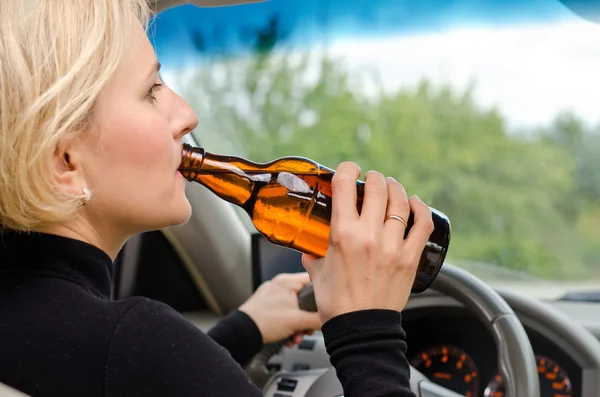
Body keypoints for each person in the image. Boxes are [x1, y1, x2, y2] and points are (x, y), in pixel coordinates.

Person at [0, 1, 434, 396]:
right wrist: (369, 331)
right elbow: (140, 363)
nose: (188, 114)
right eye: (151, 91)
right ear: (64, 162)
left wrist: (241, 330)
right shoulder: (141, 344)